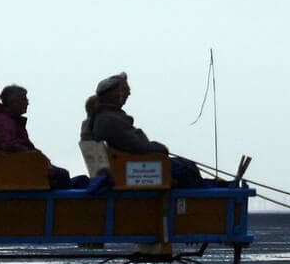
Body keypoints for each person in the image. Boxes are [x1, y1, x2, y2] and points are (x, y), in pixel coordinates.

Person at [81, 72, 209, 188]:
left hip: (126, 168)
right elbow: (137, 147)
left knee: (185, 166)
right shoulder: (110, 120)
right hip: (132, 170)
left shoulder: (101, 118)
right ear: (113, 94)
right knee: (187, 169)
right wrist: (160, 148)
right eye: (125, 90)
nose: (128, 94)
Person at [0, 84, 88, 188]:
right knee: (64, 176)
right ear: (13, 102)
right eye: (24, 99)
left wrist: (40, 158)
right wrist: (37, 158)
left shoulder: (9, 121)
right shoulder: (5, 122)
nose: (27, 103)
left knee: (71, 178)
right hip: (18, 172)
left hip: (19, 168)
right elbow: (9, 145)